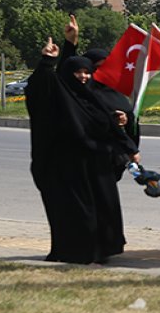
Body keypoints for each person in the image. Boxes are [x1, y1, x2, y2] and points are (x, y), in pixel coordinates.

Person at [24, 31, 139, 265]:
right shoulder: (57, 96)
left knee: (103, 210)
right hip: (68, 168)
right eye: (79, 72)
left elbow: (106, 124)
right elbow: (40, 87)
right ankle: (75, 253)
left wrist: (127, 142)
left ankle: (101, 251)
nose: (84, 76)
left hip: (97, 167)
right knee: (78, 213)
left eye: (88, 72)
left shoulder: (92, 98)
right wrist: (48, 61)